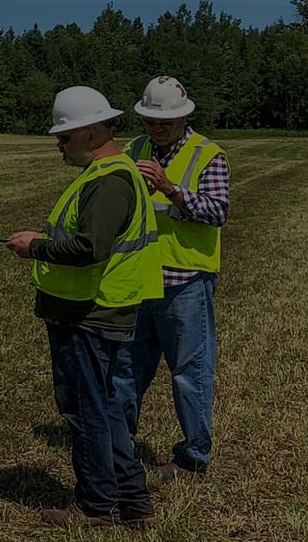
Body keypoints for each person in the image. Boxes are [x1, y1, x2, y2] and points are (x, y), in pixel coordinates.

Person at [5, 86, 162, 529]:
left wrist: (35, 246)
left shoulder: (109, 181)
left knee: (86, 409)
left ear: (91, 134)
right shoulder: (113, 174)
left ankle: (96, 505)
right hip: (99, 309)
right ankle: (131, 498)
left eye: (64, 137)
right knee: (107, 406)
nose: (59, 145)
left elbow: (91, 247)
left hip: (89, 314)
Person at [114, 75, 230, 482]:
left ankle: (193, 457)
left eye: (165, 121)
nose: (157, 128)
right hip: (140, 276)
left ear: (184, 118)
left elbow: (219, 212)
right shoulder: (135, 149)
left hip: (186, 280)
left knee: (189, 372)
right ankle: (118, 446)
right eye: (150, 120)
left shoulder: (208, 154)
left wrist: (172, 190)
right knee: (126, 367)